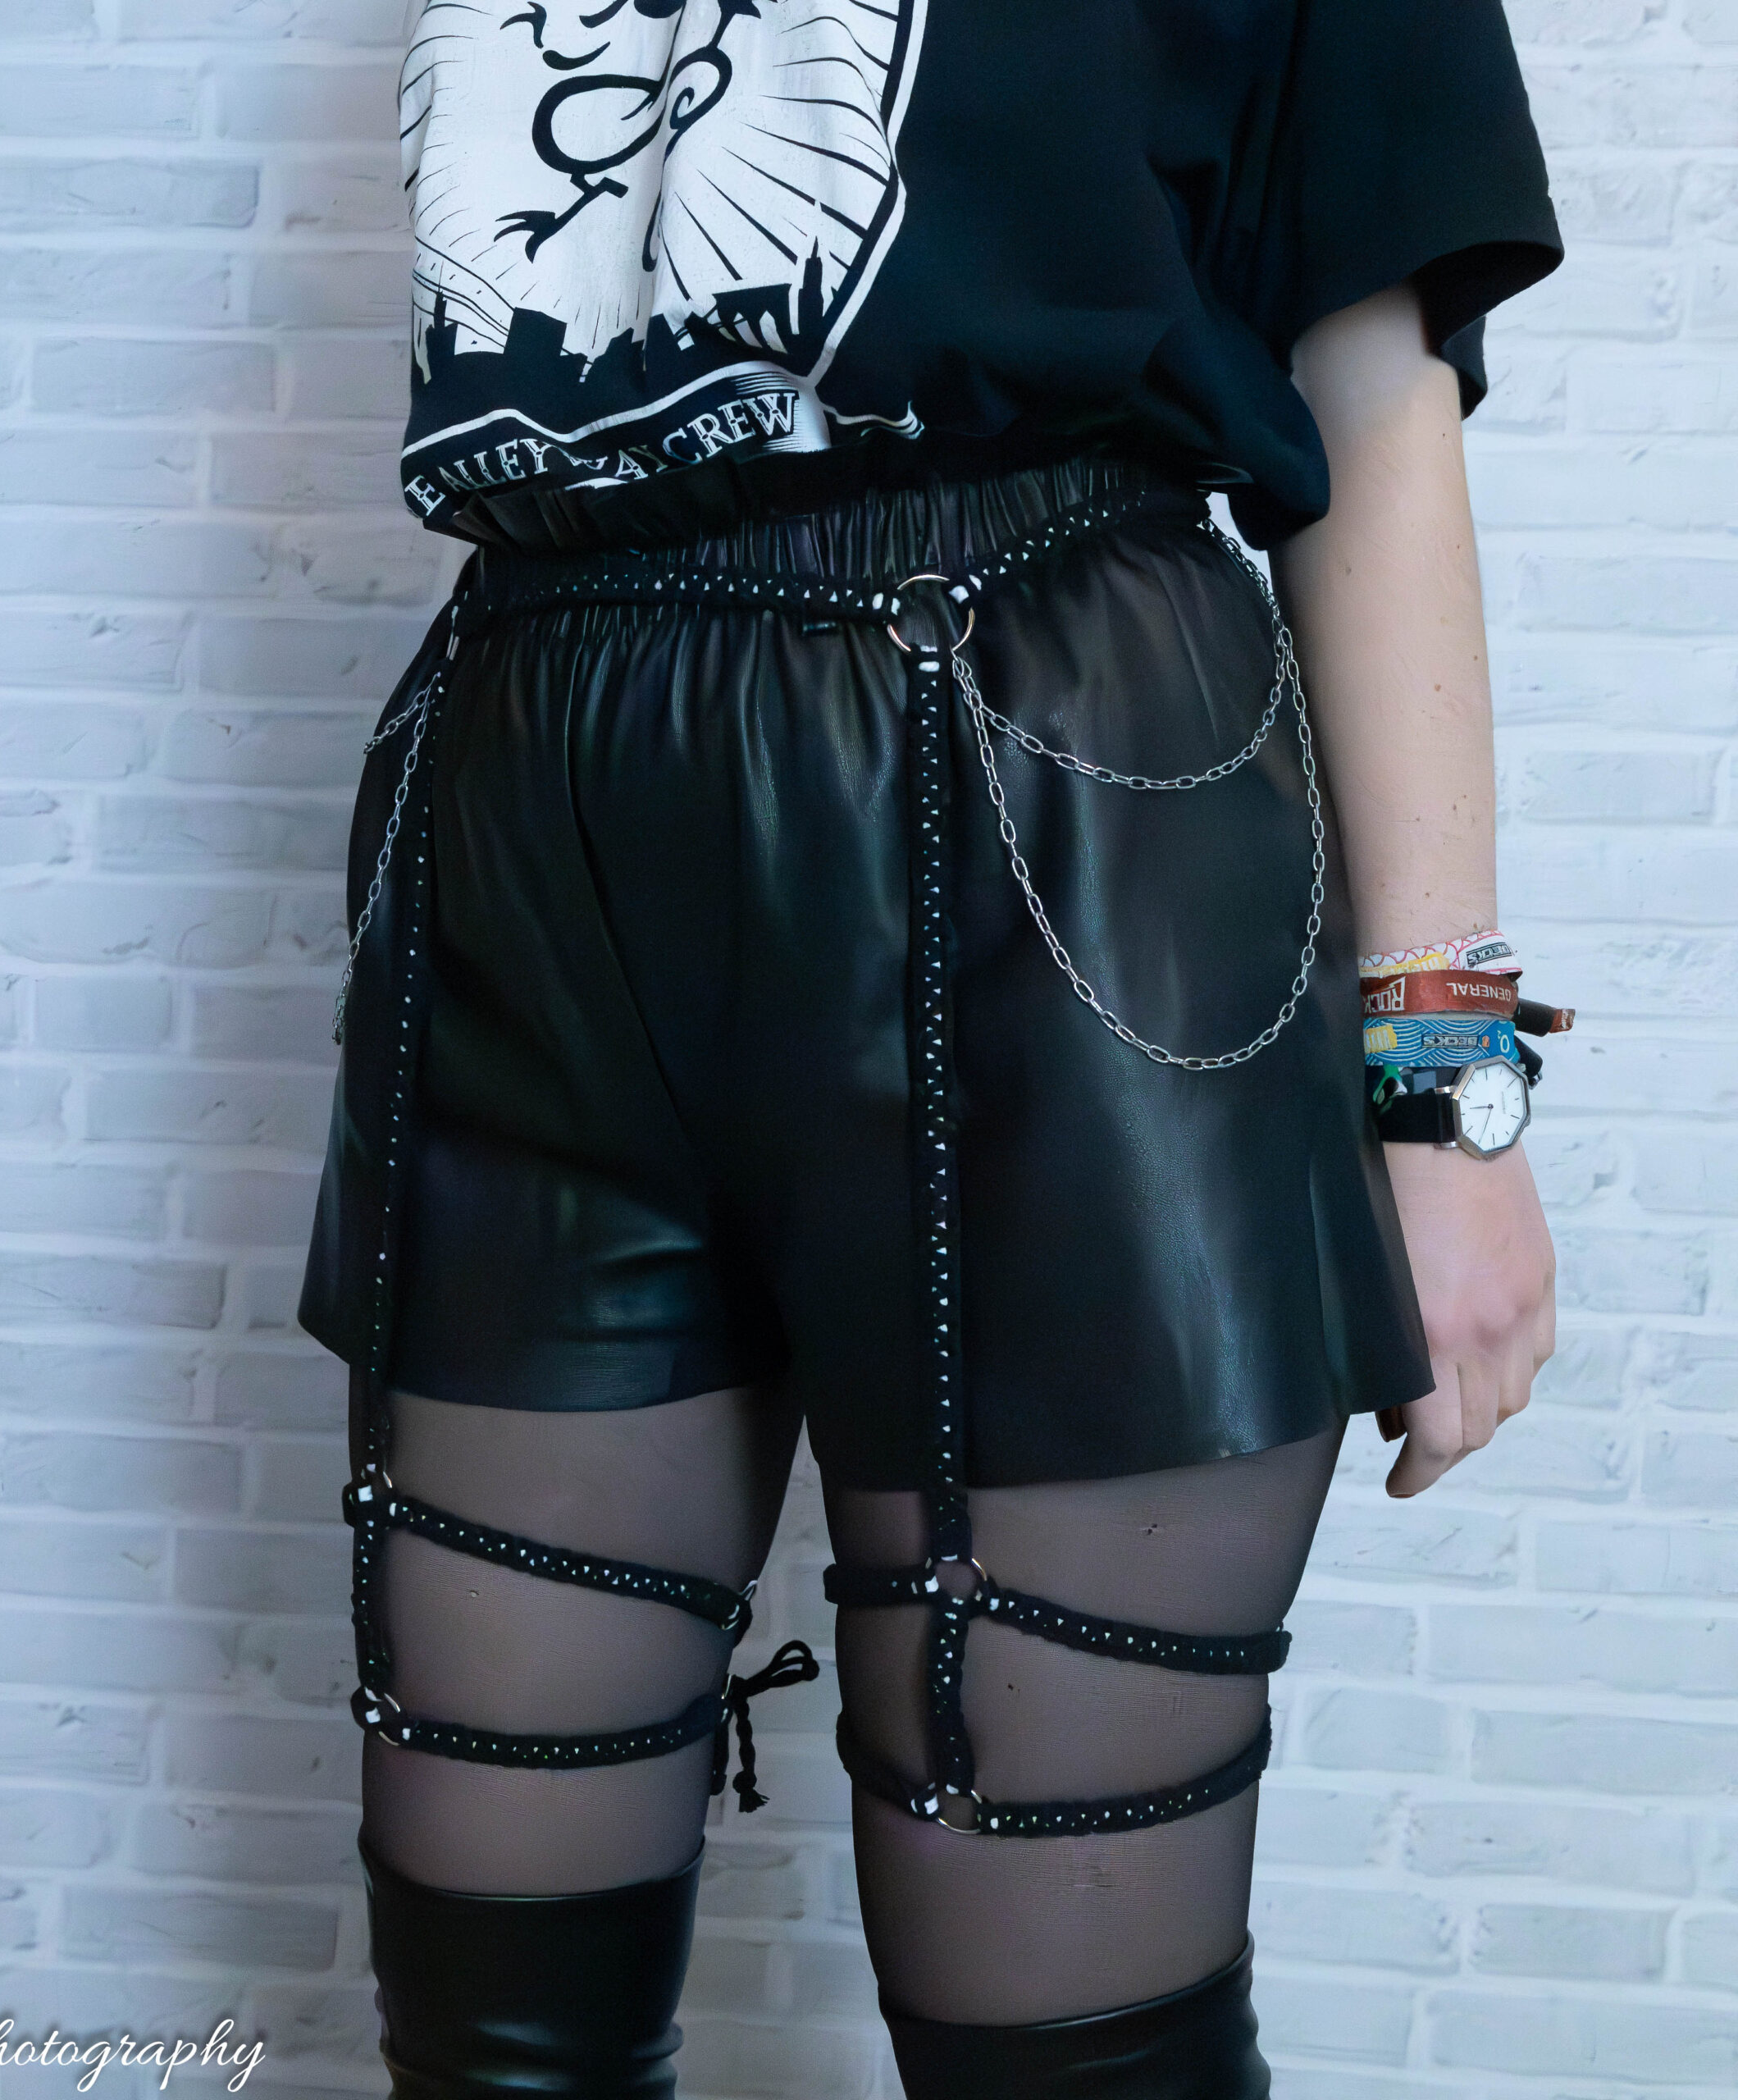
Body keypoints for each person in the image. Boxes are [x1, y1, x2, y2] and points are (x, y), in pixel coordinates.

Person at [299, 2, 1566, 2092]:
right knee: (491, 2031)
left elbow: (1367, 386)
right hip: (532, 794)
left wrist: (1444, 1085)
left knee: (1060, 2039)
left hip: (1050, 801)